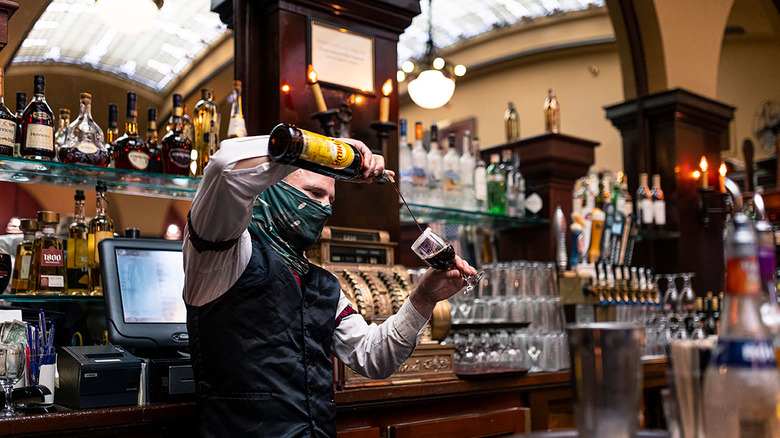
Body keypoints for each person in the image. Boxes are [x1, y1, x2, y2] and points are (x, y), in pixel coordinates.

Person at [183, 134, 476, 437]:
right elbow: (225, 167)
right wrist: (329, 149)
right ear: (269, 187)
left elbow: (373, 356)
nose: (324, 209)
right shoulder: (222, 254)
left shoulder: (322, 284)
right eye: (313, 193)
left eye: (330, 200)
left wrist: (423, 299)